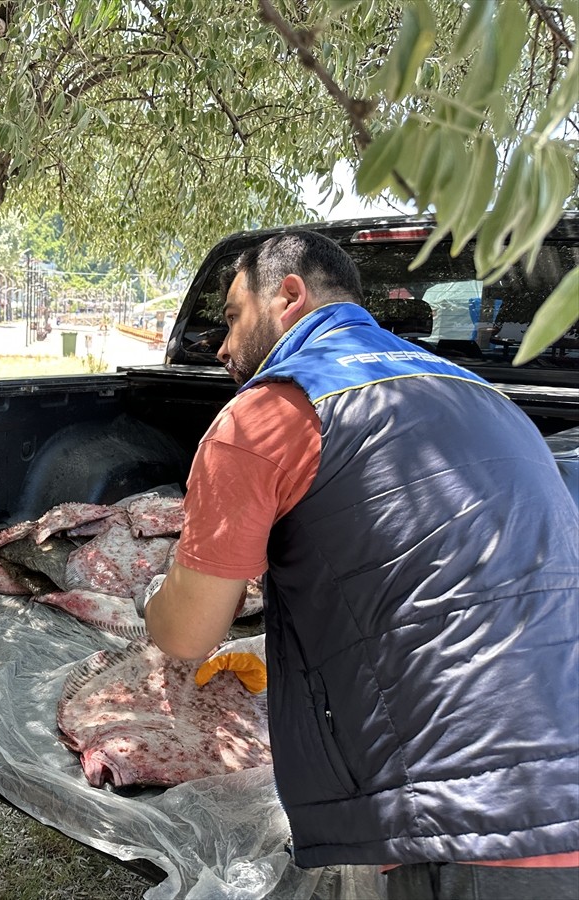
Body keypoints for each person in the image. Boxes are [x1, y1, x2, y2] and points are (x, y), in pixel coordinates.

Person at [143, 230, 578, 899]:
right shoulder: (484, 394)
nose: (221, 346)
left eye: (231, 317)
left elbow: (186, 634)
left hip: (466, 821)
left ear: (288, 296)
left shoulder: (265, 415)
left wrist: (156, 594)